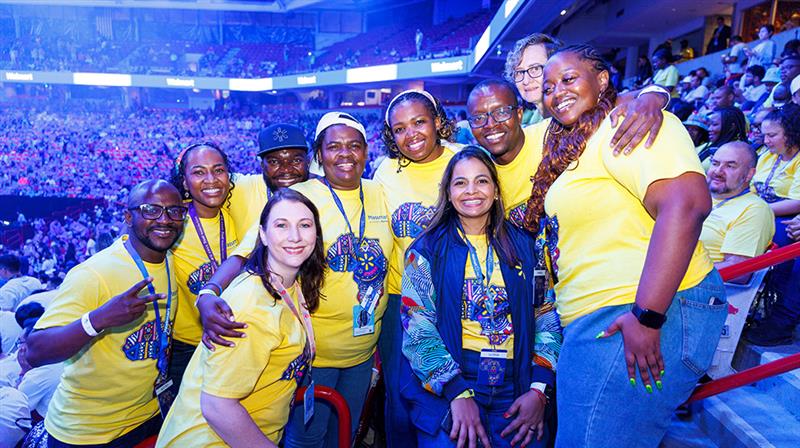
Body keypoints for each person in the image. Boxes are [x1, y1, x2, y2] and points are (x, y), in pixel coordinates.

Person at [524, 44, 727, 447]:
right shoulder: (575, 143)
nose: (557, 92)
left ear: (602, 80)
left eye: (568, 79)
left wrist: (647, 316)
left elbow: (686, 205)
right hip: (598, 320)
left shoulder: (631, 124)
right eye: (548, 87)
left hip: (633, 312)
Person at [199, 112, 392, 448]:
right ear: (320, 155)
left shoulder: (380, 192)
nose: (345, 154)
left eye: (354, 146)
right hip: (313, 353)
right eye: (334, 146)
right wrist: (209, 291)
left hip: (362, 350)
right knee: (308, 439)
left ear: (366, 151)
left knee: (344, 436)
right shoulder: (297, 197)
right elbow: (244, 252)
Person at [399, 147, 561, 447]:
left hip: (518, 384)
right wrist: (457, 392)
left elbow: (547, 315)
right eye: (460, 183)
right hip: (452, 382)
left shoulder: (526, 246)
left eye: (481, 181)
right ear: (447, 193)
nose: (471, 190)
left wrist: (539, 389)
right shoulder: (425, 250)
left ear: (497, 191)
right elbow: (417, 328)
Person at [157, 188, 324, 447]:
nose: (295, 236)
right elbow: (217, 406)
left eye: (305, 225)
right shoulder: (253, 306)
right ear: (262, 235)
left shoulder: (285, 283)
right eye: (281, 225)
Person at [24, 180, 185, 447]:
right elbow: (36, 351)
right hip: (87, 431)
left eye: (174, 211)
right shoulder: (94, 273)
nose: (164, 219)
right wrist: (98, 320)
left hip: (150, 416)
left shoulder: (169, 260)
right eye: (151, 210)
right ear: (127, 216)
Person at [373, 89, 460, 447]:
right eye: (400, 129)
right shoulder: (385, 171)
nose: (411, 134)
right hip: (401, 303)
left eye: (419, 122)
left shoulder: (465, 159)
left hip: (455, 299)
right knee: (400, 402)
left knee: (452, 398)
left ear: (438, 121)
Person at [466, 78, 668, 228]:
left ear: (519, 114)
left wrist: (652, 97)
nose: (490, 125)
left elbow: (627, 99)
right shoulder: (480, 174)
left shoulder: (554, 132)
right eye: (478, 118)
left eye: (501, 112)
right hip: (549, 278)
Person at [168, 142, 239, 394]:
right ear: (185, 182)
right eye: (199, 172)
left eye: (218, 170)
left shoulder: (235, 214)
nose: (211, 179)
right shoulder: (172, 224)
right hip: (186, 348)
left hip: (232, 340)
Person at [226, 124, 311, 239]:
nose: (286, 169)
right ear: (262, 165)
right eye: (274, 162)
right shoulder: (242, 188)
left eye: (296, 160)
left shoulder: (323, 194)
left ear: (308, 162)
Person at [701, 142, 775, 272]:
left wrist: (677, 274)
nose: (718, 171)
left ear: (749, 174)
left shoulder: (754, 209)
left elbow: (738, 271)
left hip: (696, 286)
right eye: (715, 163)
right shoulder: (698, 195)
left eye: (730, 166)